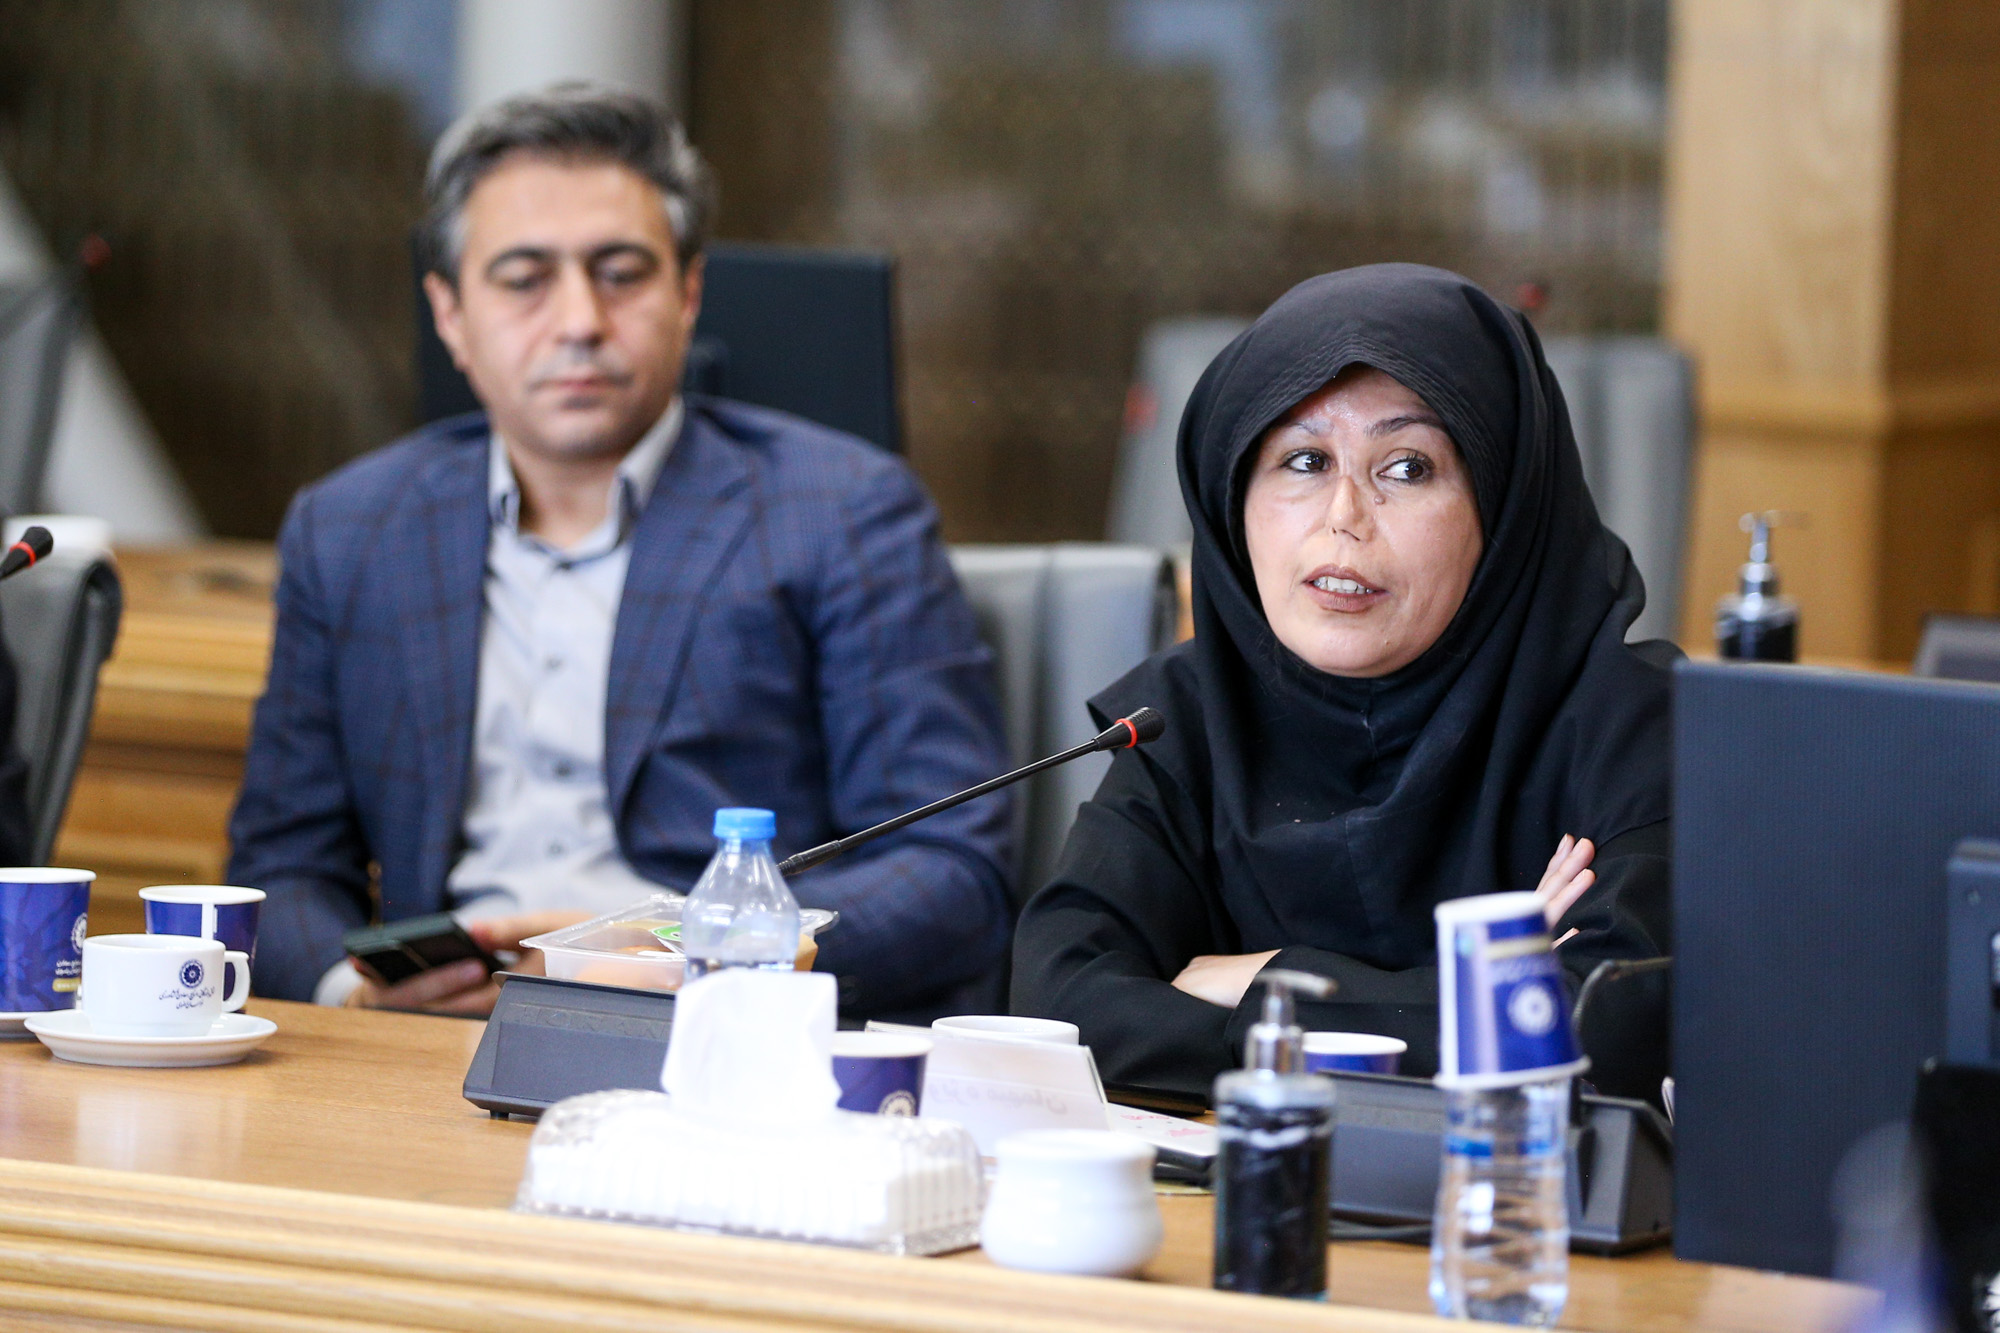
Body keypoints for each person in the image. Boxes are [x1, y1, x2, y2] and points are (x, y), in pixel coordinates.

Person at [228, 84, 1012, 1021]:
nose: (579, 322)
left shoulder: (844, 510)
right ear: (450, 314)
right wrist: (354, 995)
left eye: (622, 272)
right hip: (434, 1039)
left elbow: (953, 867)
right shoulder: (351, 530)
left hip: (714, 1037)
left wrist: (702, 952)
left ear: (688, 294)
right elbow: (280, 865)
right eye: (524, 278)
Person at [1011, 264, 1672, 1103]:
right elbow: (1058, 1008)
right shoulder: (1188, 718)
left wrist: (1265, 982)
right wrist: (1479, 997)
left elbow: (1606, 1030)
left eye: (1406, 467)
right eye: (1304, 459)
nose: (1343, 517)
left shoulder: (1634, 726)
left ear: (1504, 507)